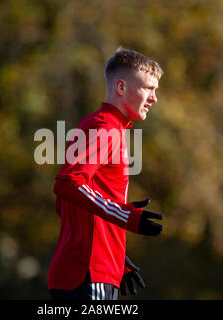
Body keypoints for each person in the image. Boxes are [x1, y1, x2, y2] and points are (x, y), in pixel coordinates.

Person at [48, 47, 164, 300]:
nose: (154, 98)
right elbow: (67, 184)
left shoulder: (103, 126)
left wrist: (116, 255)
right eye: (148, 88)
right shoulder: (104, 127)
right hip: (88, 274)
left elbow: (68, 205)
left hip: (93, 271)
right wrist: (125, 216)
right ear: (121, 88)